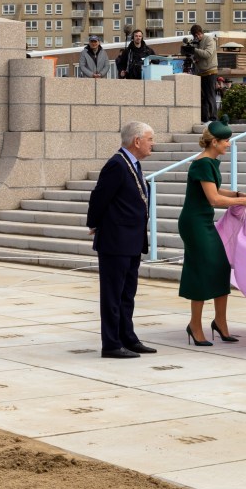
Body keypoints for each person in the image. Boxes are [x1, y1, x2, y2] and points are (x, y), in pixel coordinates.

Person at [179, 117, 246, 346]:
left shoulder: (210, 163)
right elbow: (213, 199)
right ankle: (195, 325)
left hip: (202, 221)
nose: (228, 144)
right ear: (214, 142)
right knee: (201, 270)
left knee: (220, 267)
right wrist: (241, 203)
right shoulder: (202, 163)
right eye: (226, 141)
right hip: (194, 223)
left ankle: (220, 322)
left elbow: (214, 189)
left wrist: (236, 194)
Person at [86, 121, 157, 358]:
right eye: (150, 139)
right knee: (113, 296)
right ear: (137, 141)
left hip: (132, 240)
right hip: (116, 241)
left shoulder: (132, 164)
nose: (152, 144)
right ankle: (111, 344)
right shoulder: (117, 164)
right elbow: (99, 197)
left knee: (127, 294)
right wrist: (95, 223)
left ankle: (128, 337)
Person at [188, 24, 218, 121]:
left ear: (201, 33)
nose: (197, 37)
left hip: (210, 71)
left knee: (210, 95)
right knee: (202, 97)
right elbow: (197, 56)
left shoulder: (209, 40)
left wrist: (194, 50)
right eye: (195, 36)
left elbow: (207, 54)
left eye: (198, 35)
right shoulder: (196, 42)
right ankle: (204, 118)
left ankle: (213, 118)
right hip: (200, 72)